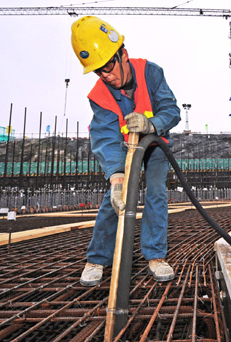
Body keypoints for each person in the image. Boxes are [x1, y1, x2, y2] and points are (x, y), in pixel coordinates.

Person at [71, 16, 181, 286]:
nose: (106, 75)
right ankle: (96, 259)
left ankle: (155, 256)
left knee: (155, 192)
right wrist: (116, 176)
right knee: (116, 197)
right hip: (123, 150)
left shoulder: (150, 72)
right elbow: (105, 136)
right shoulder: (99, 95)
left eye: (108, 65)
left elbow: (172, 110)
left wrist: (151, 124)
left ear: (123, 54)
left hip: (154, 146)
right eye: (99, 71)